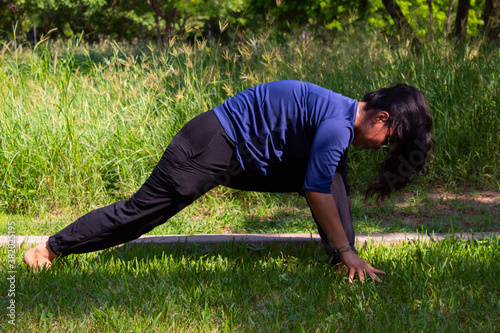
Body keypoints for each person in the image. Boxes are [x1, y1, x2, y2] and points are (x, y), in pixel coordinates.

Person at [24, 80, 434, 283]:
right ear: (381, 118)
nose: (383, 148)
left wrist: (343, 246)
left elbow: (321, 181)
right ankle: (49, 248)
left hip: (238, 154)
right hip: (208, 147)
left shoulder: (339, 118)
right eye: (391, 140)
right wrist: (347, 249)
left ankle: (341, 265)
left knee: (331, 175)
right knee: (141, 214)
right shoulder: (336, 126)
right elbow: (315, 188)